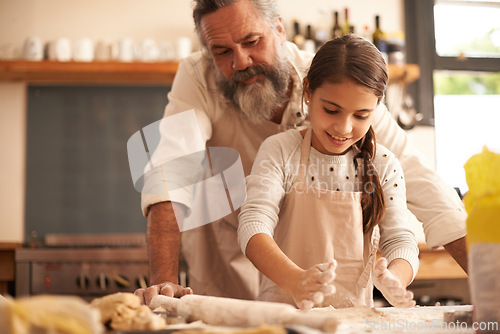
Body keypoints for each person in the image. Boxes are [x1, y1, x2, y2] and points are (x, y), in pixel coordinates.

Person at [134, 0, 467, 305]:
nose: (240, 62)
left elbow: (420, 180)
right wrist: (163, 281)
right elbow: (169, 173)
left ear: (279, 29)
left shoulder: (335, 82)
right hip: (226, 254)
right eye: (221, 51)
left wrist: (487, 283)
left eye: (252, 42)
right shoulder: (196, 78)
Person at [238, 35, 418, 310]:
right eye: (331, 110)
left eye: (360, 115)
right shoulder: (280, 150)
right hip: (282, 318)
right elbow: (253, 225)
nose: (344, 127)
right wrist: (296, 281)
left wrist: (396, 278)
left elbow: (400, 239)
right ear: (308, 92)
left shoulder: (384, 164)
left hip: (354, 322)